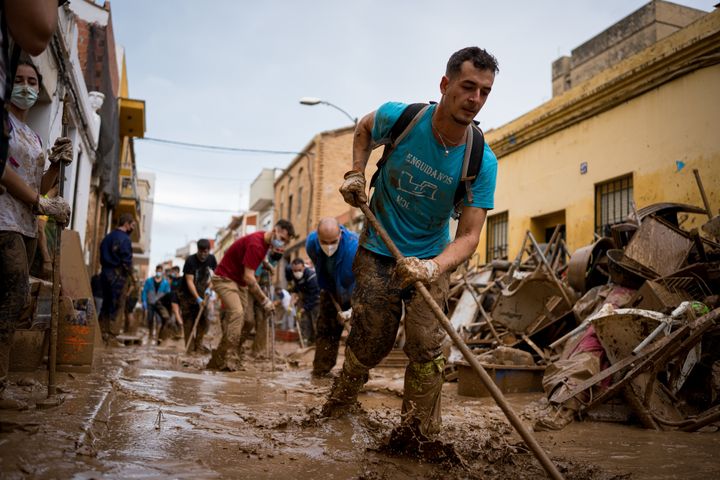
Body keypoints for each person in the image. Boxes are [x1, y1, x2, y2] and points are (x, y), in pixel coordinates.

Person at [324, 47, 499, 442]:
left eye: (484, 92)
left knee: (426, 346)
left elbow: (470, 236)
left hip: (431, 257)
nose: (474, 99)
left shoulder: (481, 161)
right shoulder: (401, 117)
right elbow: (364, 128)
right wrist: (356, 173)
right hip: (377, 246)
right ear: (445, 83)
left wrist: (433, 267)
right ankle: (339, 405)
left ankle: (417, 435)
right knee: (372, 340)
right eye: (468, 86)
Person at [0, 57, 72, 409]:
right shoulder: (4, 123)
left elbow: (39, 185)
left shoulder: (32, 134)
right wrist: (41, 204)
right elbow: (3, 171)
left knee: (14, 300)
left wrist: (57, 164)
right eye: (19, 79)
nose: (26, 87)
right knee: (12, 296)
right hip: (3, 221)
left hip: (26, 225)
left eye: (32, 81)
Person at [208, 219, 295, 371]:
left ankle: (221, 354)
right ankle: (230, 355)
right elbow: (249, 277)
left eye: (285, 242)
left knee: (248, 321)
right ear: (275, 230)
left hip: (238, 282)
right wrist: (265, 300)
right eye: (281, 239)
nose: (282, 243)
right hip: (224, 278)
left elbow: (257, 259)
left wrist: (266, 265)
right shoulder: (256, 243)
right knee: (237, 313)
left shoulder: (264, 240)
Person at [306, 218, 358, 377]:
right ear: (318, 236)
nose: (329, 246)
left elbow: (363, 278)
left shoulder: (354, 247)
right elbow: (318, 264)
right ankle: (321, 370)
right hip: (330, 290)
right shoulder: (311, 243)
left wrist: (353, 307)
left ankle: (355, 374)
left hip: (353, 291)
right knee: (325, 329)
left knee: (358, 334)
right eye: (324, 242)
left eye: (333, 241)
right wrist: (329, 289)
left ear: (341, 234)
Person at [98, 213, 135, 342]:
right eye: (132, 225)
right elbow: (127, 261)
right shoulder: (125, 239)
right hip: (118, 276)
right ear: (126, 224)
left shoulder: (107, 237)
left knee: (106, 304)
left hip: (105, 273)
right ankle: (111, 337)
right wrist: (133, 277)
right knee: (116, 305)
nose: (133, 228)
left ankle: (101, 334)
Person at [177, 238, 217, 353]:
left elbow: (215, 277)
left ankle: (198, 347)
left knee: (203, 321)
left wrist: (209, 289)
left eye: (206, 252)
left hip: (203, 292)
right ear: (198, 250)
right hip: (187, 295)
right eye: (201, 252)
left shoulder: (211, 259)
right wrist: (197, 298)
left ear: (209, 251)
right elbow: (189, 281)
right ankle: (189, 349)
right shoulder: (190, 260)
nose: (203, 255)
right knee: (189, 322)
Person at [285, 258, 320, 344]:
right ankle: (305, 340)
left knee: (316, 321)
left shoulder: (312, 277)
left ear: (304, 267)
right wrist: (290, 304)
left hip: (316, 299)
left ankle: (317, 342)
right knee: (304, 320)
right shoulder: (292, 273)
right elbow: (295, 289)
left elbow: (315, 297)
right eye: (295, 270)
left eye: (299, 270)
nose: (297, 272)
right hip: (304, 297)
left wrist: (304, 308)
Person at [141, 264, 171, 343]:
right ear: (156, 271)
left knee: (159, 320)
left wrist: (166, 304)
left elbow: (168, 294)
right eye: (158, 271)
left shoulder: (165, 283)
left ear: (162, 272)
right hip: (150, 303)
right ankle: (150, 334)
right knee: (150, 319)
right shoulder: (149, 281)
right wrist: (144, 301)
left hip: (160, 304)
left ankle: (157, 335)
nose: (159, 273)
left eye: (160, 271)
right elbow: (144, 291)